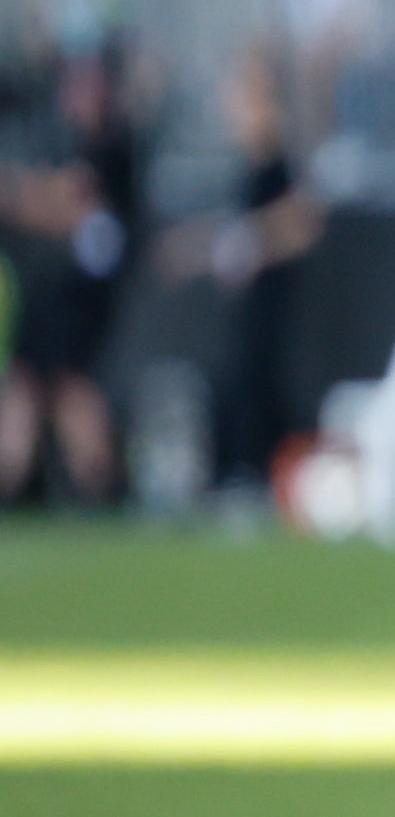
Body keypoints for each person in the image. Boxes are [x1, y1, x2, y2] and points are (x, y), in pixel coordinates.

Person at [158, 53, 329, 491]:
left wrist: (254, 242)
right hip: (248, 308)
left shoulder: (278, 165)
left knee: (261, 386)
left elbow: (301, 223)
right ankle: (246, 474)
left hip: (273, 305)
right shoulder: (250, 170)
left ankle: (264, 477)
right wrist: (192, 249)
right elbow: (231, 236)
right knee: (240, 383)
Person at [1, 46, 143, 507]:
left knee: (68, 388)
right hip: (63, 293)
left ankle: (103, 482)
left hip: (85, 297)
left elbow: (67, 203)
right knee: (34, 384)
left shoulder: (112, 147)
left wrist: (20, 193)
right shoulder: (79, 144)